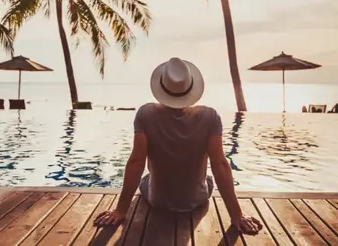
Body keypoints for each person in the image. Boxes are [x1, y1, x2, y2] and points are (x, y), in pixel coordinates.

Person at [93, 58, 263, 235]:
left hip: (157, 199)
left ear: (161, 85)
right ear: (191, 87)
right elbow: (220, 164)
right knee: (209, 179)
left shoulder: (146, 113)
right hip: (197, 199)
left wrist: (120, 210)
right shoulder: (210, 116)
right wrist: (237, 215)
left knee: (146, 178)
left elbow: (136, 162)